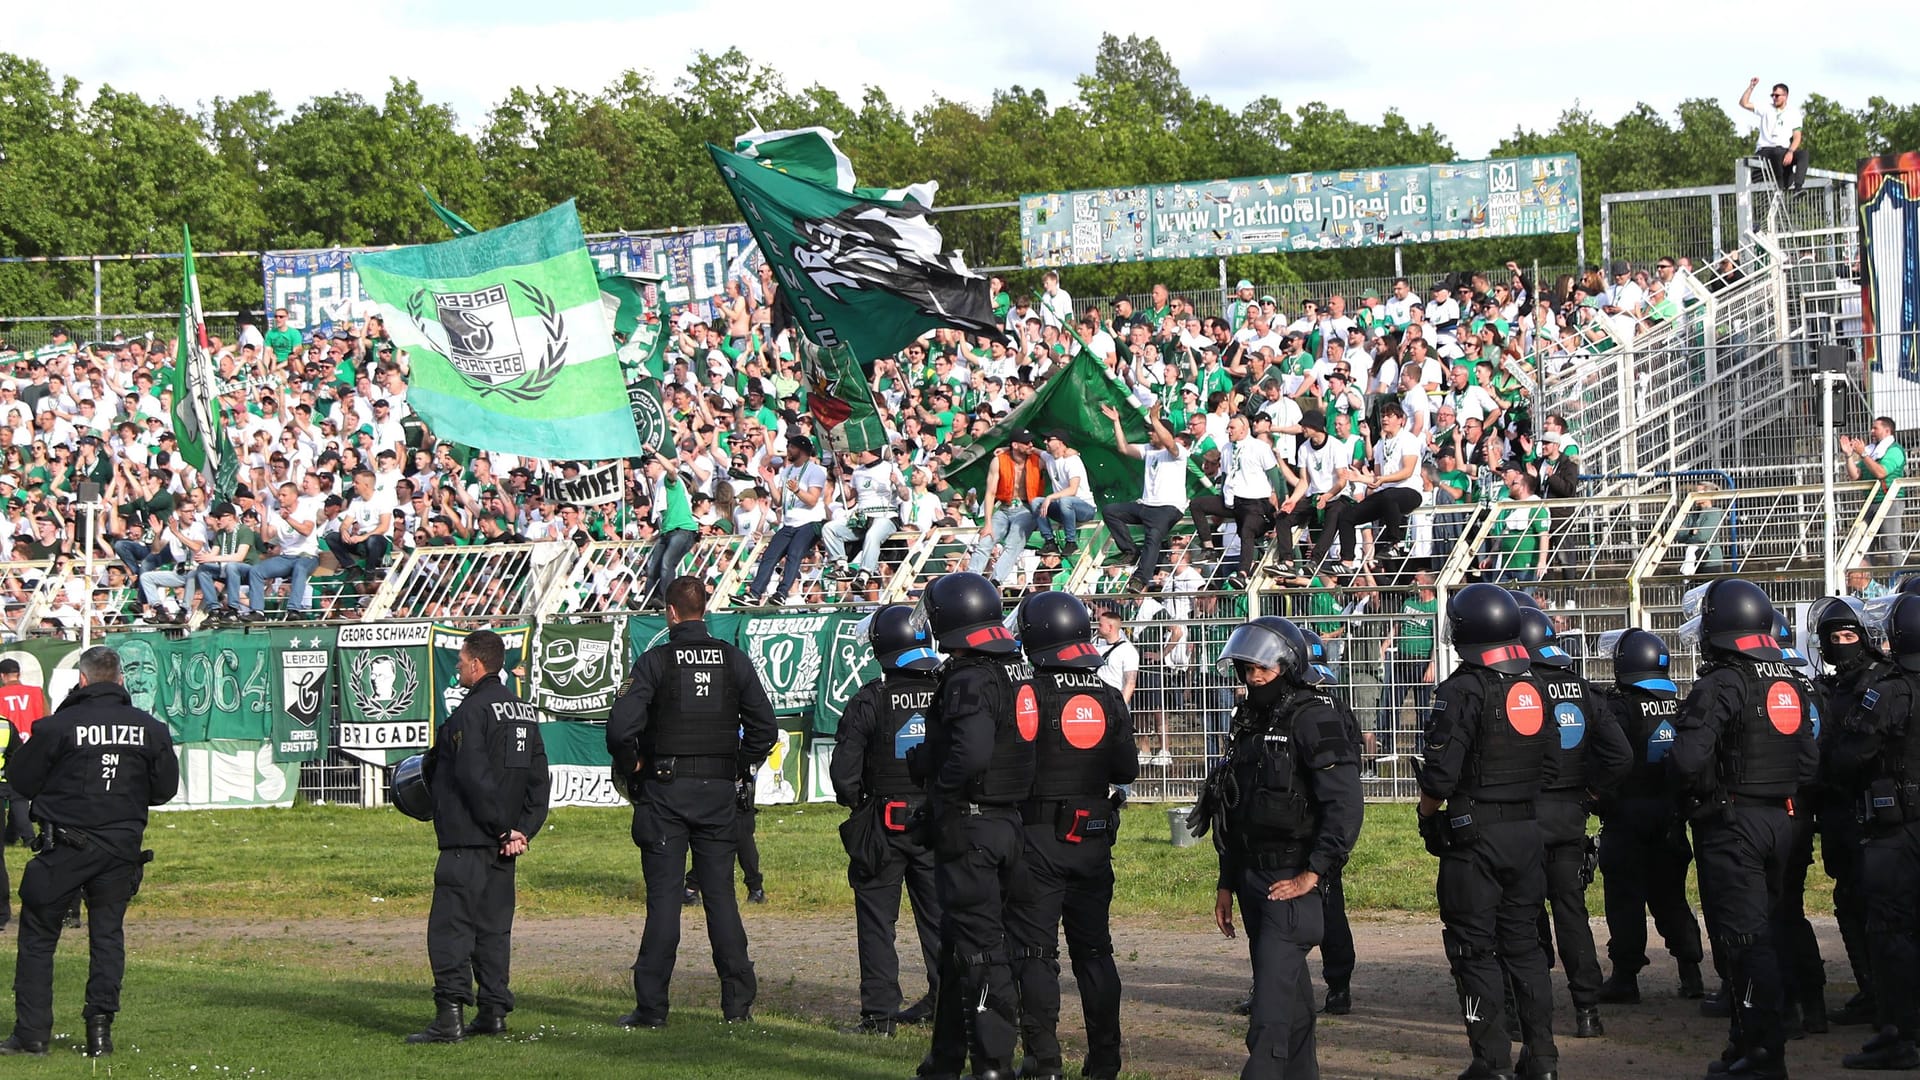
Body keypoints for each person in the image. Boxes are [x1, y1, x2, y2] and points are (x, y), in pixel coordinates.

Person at [1191, 616, 1362, 1079]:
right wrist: (1227, 882)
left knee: (1268, 1020)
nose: (1253, 678)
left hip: (1291, 883)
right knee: (1295, 1011)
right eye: (1247, 670)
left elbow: (1344, 806)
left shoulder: (1314, 718)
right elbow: (1234, 808)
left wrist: (1315, 871)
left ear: (1287, 668)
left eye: (1262, 670)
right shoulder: (1251, 721)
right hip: (1251, 879)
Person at [606, 575, 778, 1027]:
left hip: (665, 792)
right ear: (706, 610)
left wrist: (635, 766)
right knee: (721, 898)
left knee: (664, 901)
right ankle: (738, 1007)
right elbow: (765, 730)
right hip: (719, 794)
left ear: (671, 612)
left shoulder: (655, 661)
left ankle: (652, 1008)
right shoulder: (734, 661)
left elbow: (620, 729)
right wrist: (737, 766)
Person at [1669, 578, 1818, 1080]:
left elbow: (1688, 759)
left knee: (1744, 941)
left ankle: (1762, 1053)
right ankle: (1745, 1041)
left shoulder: (1721, 683)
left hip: (1733, 825)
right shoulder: (1789, 680)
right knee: (1768, 932)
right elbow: (1809, 759)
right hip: (1784, 820)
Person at [1, 645, 178, 1058]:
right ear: (120, 680)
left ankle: (32, 1034)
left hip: (64, 846)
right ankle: (100, 1031)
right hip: (120, 849)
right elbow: (164, 790)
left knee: (39, 938)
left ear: (81, 680)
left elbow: (21, 780)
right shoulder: (150, 728)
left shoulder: (57, 726)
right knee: (107, 937)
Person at [1415, 583, 1559, 1080]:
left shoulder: (1462, 689)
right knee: (1524, 947)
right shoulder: (1536, 685)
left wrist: (1427, 815)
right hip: (1526, 830)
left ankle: (1491, 1063)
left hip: (1475, 838)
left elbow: (1439, 777)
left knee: (1473, 950)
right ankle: (1542, 1060)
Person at [1005, 591, 1137, 1080]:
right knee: (1095, 952)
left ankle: (1043, 1062)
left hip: (1037, 837)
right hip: (1094, 837)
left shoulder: (1027, 692)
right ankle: (1105, 1060)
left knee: (1035, 954)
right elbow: (1127, 768)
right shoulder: (1106, 692)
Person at [910, 571, 1034, 1080]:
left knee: (980, 948)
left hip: (973, 824)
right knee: (958, 943)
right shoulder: (1014, 670)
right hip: (1007, 822)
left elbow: (971, 752)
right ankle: (944, 1059)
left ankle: (992, 1062)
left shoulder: (969, 678)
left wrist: (938, 789)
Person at [407, 629, 551, 1044]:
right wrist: (522, 829)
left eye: (461, 660)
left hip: (468, 840)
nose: (457, 667)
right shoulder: (523, 711)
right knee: (492, 929)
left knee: (452, 927)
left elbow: (472, 777)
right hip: (504, 846)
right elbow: (539, 780)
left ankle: (449, 1017)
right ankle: (492, 1011)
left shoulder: (470, 712)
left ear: (477, 663)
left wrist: (500, 827)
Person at [830, 604, 945, 1035]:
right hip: (937, 822)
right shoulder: (948, 692)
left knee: (878, 921)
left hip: (884, 822)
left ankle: (879, 1016)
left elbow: (843, 774)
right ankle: (945, 1001)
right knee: (939, 917)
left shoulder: (870, 698)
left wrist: (860, 803)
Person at [1515, 606, 1630, 1039]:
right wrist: (1591, 794)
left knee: (1521, 916)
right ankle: (1587, 1011)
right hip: (1570, 817)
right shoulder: (1583, 689)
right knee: (1572, 914)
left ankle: (1528, 1011)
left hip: (1524, 815)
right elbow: (1620, 757)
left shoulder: (1518, 689)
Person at [1828, 593, 1920, 1068]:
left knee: (1890, 929)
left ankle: (1901, 1034)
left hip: (1896, 829)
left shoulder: (1889, 689)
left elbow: (1850, 755)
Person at [1591, 628, 1706, 1006]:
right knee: (1671, 897)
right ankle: (1691, 971)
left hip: (1626, 817)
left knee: (1625, 900)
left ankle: (1625, 977)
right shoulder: (1680, 703)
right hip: (1670, 817)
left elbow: (1609, 759)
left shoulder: (1618, 708)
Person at [1808, 596, 1891, 1027]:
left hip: (1873, 811)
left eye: (1848, 635)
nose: (1842, 643)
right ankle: (1869, 989)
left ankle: (1888, 995)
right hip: (1838, 810)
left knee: (1878, 904)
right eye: (1834, 637)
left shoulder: (1881, 682)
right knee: (1847, 899)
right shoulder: (1828, 689)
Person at [1098, 401, 1188, 594]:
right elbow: (1123, 448)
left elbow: (1170, 443)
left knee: (1153, 537)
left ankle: (1140, 579)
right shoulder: (1148, 449)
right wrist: (1116, 422)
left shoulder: (1178, 452)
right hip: (1146, 505)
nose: (1149, 433)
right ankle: (1130, 551)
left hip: (1168, 507)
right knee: (1111, 511)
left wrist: (1155, 419)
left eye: (1153, 430)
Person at [744, 436, 827, 606]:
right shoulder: (786, 471)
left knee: (795, 553)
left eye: (791, 446)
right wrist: (770, 482)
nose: (788, 449)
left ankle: (782, 593)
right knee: (769, 555)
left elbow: (812, 500)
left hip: (810, 522)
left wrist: (797, 490)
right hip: (789, 523)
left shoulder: (816, 471)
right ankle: (754, 593)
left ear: (802, 449)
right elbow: (778, 501)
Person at [969, 431, 1045, 589]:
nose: (1031, 445)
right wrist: (988, 523)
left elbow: (1057, 455)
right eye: (1026, 442)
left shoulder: (1038, 460)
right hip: (1004, 508)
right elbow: (990, 494)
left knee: (1013, 543)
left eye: (1031, 442)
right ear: (1015, 445)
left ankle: (995, 581)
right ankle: (971, 577)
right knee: (986, 540)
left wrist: (1006, 448)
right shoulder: (998, 461)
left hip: (1026, 508)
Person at [825, 446, 905, 590]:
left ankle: (864, 575)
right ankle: (842, 566)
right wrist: (840, 480)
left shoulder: (890, 468)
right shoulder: (858, 471)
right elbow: (849, 496)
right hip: (862, 518)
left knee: (873, 534)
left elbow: (905, 496)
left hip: (885, 516)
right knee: (829, 528)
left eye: (861, 451)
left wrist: (897, 482)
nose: (857, 454)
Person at [638, 455, 699, 609]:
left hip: (683, 530)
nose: (646, 466)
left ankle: (666, 600)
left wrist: (655, 452)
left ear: (660, 465)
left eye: (650, 463)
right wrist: (657, 535)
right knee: (653, 568)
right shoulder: (658, 485)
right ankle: (647, 601)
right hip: (668, 532)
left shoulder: (667, 479)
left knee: (667, 563)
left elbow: (672, 470)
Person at [0, 658, 45, 847]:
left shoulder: (1, 694)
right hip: (34, 749)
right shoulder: (36, 693)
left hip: (10, 749)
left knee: (15, 795)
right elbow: (46, 719)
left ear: (2, 676)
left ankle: (26, 836)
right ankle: (11, 836)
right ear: (19, 674)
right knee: (20, 795)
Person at [1740, 79, 1806, 194]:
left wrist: (1791, 152)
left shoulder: (1794, 113)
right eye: (1772, 95)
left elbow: (1797, 137)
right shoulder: (1766, 108)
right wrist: (1751, 87)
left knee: (1803, 154)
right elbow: (1744, 103)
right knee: (1777, 151)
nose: (1774, 98)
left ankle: (1798, 187)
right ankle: (1781, 185)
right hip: (1766, 150)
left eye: (1777, 95)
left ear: (1785, 96)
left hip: (1783, 151)